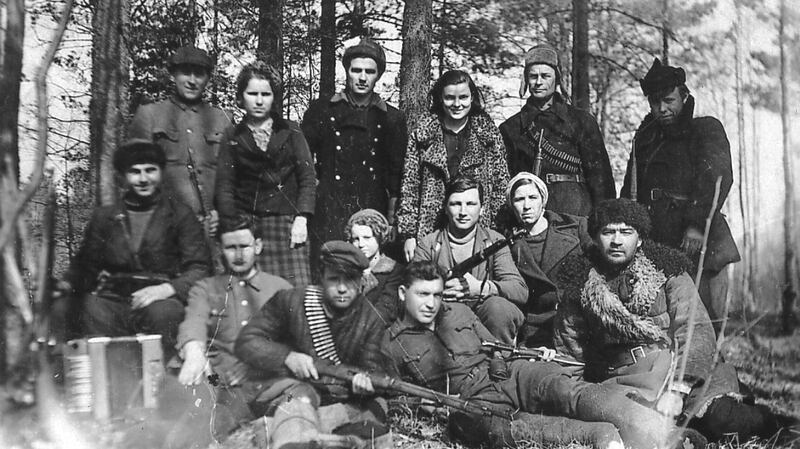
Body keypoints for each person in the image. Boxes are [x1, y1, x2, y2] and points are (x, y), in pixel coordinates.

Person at [554, 199, 786, 443]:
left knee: (724, 419)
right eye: (608, 232)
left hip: (680, 371)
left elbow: (696, 331)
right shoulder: (581, 285)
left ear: (640, 239)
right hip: (623, 382)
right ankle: (686, 438)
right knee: (640, 430)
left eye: (626, 232)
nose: (616, 240)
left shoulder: (668, 272)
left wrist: (678, 389)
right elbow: (570, 351)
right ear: (595, 238)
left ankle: (771, 423)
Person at [381, 260, 679, 449]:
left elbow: (496, 347)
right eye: (422, 295)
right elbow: (394, 398)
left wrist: (531, 357)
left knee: (562, 386)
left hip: (507, 372)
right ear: (402, 293)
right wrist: (432, 406)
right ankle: (602, 436)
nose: (431, 303)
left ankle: (663, 432)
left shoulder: (458, 311)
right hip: (471, 401)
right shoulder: (390, 344)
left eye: (436, 294)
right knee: (510, 429)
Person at [60, 140, 210, 358]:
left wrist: (167, 289)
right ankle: (102, 379)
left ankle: (161, 383)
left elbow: (200, 268)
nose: (143, 179)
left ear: (161, 172)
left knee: (167, 314)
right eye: (135, 172)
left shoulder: (180, 214)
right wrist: (65, 284)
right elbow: (86, 267)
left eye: (150, 170)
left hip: (161, 301)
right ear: (123, 177)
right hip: (112, 300)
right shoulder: (105, 217)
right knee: (67, 308)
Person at [234, 241, 391, 447]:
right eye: (334, 279)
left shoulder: (370, 318)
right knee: (302, 399)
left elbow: (375, 368)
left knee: (375, 414)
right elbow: (248, 341)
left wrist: (364, 385)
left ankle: (283, 432)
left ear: (361, 281)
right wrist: (287, 357)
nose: (342, 289)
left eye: (350, 280)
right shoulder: (291, 301)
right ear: (320, 278)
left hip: (339, 398)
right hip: (288, 391)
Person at [621, 58, 740, 325]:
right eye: (654, 103)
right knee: (665, 318)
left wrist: (697, 226)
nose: (661, 109)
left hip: (700, 239)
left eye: (668, 100)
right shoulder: (645, 139)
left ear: (684, 96)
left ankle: (710, 366)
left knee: (706, 317)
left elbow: (716, 178)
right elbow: (630, 187)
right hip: (657, 238)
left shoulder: (705, 129)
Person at [169, 218, 292, 444]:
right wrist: (194, 353)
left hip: (267, 383)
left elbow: (294, 342)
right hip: (219, 382)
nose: (238, 255)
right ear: (220, 250)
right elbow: (193, 322)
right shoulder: (206, 288)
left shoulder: (281, 288)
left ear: (258, 246)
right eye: (230, 248)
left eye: (244, 247)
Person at [302, 38, 407, 275]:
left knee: (368, 271)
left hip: (372, 206)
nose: (362, 77)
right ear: (347, 71)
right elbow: (304, 160)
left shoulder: (392, 118)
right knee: (329, 270)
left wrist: (390, 219)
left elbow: (396, 173)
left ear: (378, 75)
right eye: (356, 70)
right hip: (329, 208)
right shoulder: (322, 110)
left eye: (369, 71)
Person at [215, 61, 316, 286]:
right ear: (241, 98)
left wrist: (302, 218)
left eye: (265, 94)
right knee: (250, 294)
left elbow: (307, 178)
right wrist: (232, 228)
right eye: (252, 93)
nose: (259, 101)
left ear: (273, 97)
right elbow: (225, 186)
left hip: (286, 224)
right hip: (246, 225)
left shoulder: (291, 130)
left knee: (294, 295)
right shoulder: (232, 135)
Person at [398, 70, 510, 262]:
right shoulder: (423, 134)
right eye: (450, 98)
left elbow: (501, 184)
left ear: (472, 97)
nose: (457, 104)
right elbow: (409, 186)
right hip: (430, 227)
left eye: (463, 97)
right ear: (440, 98)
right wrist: (408, 234)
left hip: (477, 229)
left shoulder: (488, 135)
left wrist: (495, 231)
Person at [128, 45, 231, 239]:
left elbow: (230, 178)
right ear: (173, 75)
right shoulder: (149, 115)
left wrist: (221, 213)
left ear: (208, 79)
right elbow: (133, 176)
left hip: (211, 229)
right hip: (163, 227)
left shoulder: (222, 119)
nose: (192, 81)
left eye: (199, 74)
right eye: (185, 73)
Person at [499, 43, 614, 216]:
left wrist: (604, 219)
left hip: (577, 212)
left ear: (557, 78)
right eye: (533, 76)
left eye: (545, 76)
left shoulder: (581, 121)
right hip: (533, 215)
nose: (539, 82)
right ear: (526, 80)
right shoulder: (511, 128)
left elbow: (600, 179)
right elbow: (507, 182)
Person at [413, 176, 526, 344]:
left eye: (471, 204)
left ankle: (499, 363)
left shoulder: (494, 241)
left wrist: (481, 288)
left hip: (484, 316)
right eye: (456, 204)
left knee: (500, 309)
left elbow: (520, 290)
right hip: (443, 318)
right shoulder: (429, 244)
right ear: (445, 208)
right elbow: (412, 291)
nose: (463, 212)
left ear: (481, 209)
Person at [504, 172, 592, 348]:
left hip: (576, 321)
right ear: (512, 205)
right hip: (535, 327)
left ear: (543, 200)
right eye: (519, 199)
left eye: (533, 197)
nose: (527, 205)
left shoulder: (576, 227)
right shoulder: (507, 244)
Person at [344, 209, 404, 324]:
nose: (361, 244)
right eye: (356, 239)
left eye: (367, 238)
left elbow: (386, 311)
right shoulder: (345, 269)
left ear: (380, 237)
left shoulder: (394, 270)